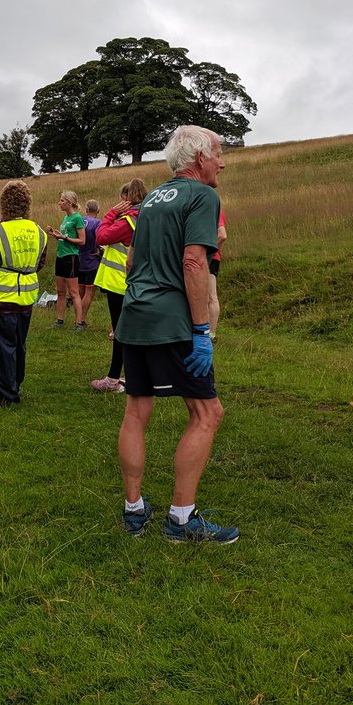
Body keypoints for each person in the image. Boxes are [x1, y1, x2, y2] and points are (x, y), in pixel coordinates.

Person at [115, 126, 239, 543]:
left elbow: (132, 262)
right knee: (207, 413)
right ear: (200, 158)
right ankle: (181, 521)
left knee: (136, 411)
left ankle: (134, 512)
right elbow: (193, 262)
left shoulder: (151, 197)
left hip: (135, 315)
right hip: (172, 321)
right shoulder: (203, 196)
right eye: (219, 153)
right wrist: (201, 329)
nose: (222, 162)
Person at [0, 181, 48, 406]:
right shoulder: (39, 231)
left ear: (3, 205)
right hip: (25, 298)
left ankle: (5, 395)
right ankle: (15, 384)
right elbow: (40, 263)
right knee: (18, 344)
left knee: (0, 348)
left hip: (0, 298)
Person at [89, 179, 147, 393]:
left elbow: (101, 237)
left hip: (119, 283)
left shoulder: (129, 220)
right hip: (131, 282)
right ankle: (134, 376)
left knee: (122, 333)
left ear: (127, 199)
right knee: (127, 331)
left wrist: (111, 213)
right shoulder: (145, 216)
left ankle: (113, 380)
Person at [46, 191, 86, 330]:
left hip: (71, 257)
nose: (59, 203)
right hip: (60, 256)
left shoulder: (77, 218)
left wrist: (65, 238)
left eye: (62, 201)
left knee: (73, 292)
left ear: (69, 202)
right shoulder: (65, 218)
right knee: (60, 291)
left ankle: (79, 323)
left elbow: (82, 240)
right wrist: (55, 235)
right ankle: (59, 320)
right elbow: (64, 236)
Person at [77, 200, 102, 321]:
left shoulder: (79, 220)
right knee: (89, 292)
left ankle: (77, 319)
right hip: (91, 260)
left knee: (79, 291)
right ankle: (80, 320)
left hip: (78, 259)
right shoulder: (97, 223)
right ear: (98, 211)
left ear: (86, 209)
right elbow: (101, 239)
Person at [208, 207, 228, 339]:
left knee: (211, 295)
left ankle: (211, 334)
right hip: (210, 256)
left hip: (209, 257)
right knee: (206, 296)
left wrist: (210, 251)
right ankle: (207, 333)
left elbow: (222, 235)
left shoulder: (214, 209)